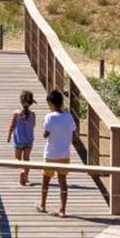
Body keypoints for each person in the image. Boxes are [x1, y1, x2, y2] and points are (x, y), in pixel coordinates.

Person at [37, 89, 76, 217]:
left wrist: (45, 133)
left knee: (46, 179)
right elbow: (72, 131)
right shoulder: (69, 116)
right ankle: (62, 209)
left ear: (52, 104)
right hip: (64, 154)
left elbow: (45, 134)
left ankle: (42, 204)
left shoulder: (49, 117)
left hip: (51, 153)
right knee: (63, 181)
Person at [6, 90, 36, 185]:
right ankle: (26, 177)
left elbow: (11, 126)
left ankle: (21, 171)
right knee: (27, 159)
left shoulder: (16, 113)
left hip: (19, 140)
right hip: (29, 140)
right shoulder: (33, 114)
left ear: (21, 102)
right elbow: (33, 125)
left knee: (17, 159)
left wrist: (9, 136)